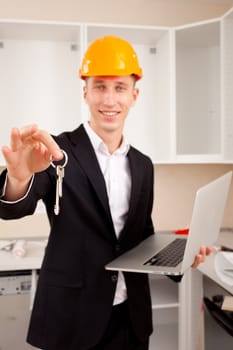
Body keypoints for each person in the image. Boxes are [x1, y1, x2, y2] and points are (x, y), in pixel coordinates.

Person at [0, 35, 211, 350]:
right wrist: (19, 177)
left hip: (130, 316)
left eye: (120, 87)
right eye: (100, 86)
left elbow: (142, 234)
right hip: (73, 318)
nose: (109, 100)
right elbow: (15, 206)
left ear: (134, 95)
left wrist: (181, 257)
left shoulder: (143, 165)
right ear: (85, 92)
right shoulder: (54, 151)